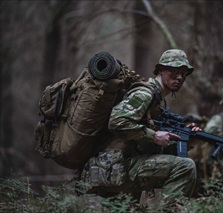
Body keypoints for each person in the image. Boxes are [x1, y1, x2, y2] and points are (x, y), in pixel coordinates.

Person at [79, 49, 201, 201]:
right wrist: (154, 135)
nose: (179, 77)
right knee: (185, 167)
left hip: (120, 167)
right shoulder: (145, 94)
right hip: (117, 167)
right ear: (161, 70)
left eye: (183, 73)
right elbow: (117, 122)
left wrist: (187, 142)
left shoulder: (158, 103)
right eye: (174, 71)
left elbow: (151, 147)